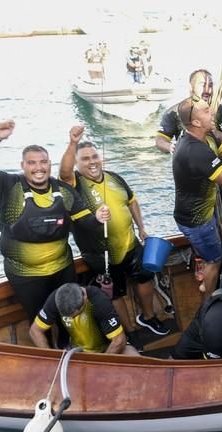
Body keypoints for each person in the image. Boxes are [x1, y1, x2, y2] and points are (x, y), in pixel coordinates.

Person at [0, 120, 108, 322]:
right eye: (31, 163)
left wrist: (97, 218)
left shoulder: (64, 190)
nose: (38, 167)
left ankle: (68, 344)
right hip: (25, 275)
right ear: (22, 166)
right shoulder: (7, 185)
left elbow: (84, 221)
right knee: (40, 320)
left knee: (72, 318)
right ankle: (49, 349)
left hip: (62, 269)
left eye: (43, 162)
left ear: (50, 164)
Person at [59, 125, 169, 342]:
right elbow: (63, 172)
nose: (92, 162)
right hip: (101, 254)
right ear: (77, 164)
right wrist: (73, 143)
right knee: (115, 293)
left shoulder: (115, 178)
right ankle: (129, 331)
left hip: (130, 244)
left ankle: (148, 316)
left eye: (94, 156)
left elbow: (132, 201)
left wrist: (141, 227)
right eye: (85, 159)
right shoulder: (74, 184)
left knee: (145, 278)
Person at [172, 96, 222, 299]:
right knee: (214, 260)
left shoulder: (207, 138)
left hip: (206, 214)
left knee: (214, 252)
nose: (213, 113)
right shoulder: (194, 150)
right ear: (196, 122)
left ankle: (208, 286)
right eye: (206, 111)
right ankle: (210, 300)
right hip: (196, 221)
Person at [29, 283, 138, 355]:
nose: (73, 319)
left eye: (76, 315)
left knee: (135, 358)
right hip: (76, 350)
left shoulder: (99, 301)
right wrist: (50, 356)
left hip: (107, 348)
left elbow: (119, 340)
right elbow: (35, 331)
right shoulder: (55, 298)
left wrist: (100, 363)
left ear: (85, 298)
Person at [155, 69, 222, 154]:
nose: (207, 90)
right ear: (191, 87)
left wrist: (217, 134)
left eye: (210, 85)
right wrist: (171, 147)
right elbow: (160, 140)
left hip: (217, 160)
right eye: (202, 85)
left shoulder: (220, 111)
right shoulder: (174, 112)